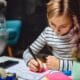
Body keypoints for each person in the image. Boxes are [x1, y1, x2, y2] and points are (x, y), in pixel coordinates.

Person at [23, 0, 80, 72]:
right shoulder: (48, 32)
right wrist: (30, 61)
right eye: (52, 24)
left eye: (63, 26)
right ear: (47, 17)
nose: (55, 31)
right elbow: (27, 52)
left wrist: (60, 65)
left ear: (74, 20)